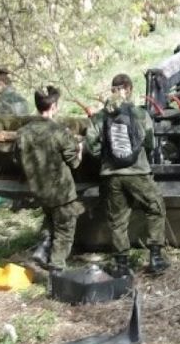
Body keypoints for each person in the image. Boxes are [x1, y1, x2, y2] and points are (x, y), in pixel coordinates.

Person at [84, 73, 169, 277]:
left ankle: (121, 265)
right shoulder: (140, 114)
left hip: (110, 175)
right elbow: (150, 143)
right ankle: (156, 257)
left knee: (118, 220)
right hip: (138, 172)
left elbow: (91, 146)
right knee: (156, 207)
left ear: (113, 90)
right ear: (129, 89)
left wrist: (106, 157)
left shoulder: (100, 116)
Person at [16, 86, 83, 272]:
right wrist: (80, 151)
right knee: (65, 230)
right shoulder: (59, 132)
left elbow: (17, 159)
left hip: (39, 190)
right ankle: (57, 269)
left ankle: (43, 246)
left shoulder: (23, 133)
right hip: (62, 192)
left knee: (50, 219)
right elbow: (74, 163)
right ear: (53, 106)